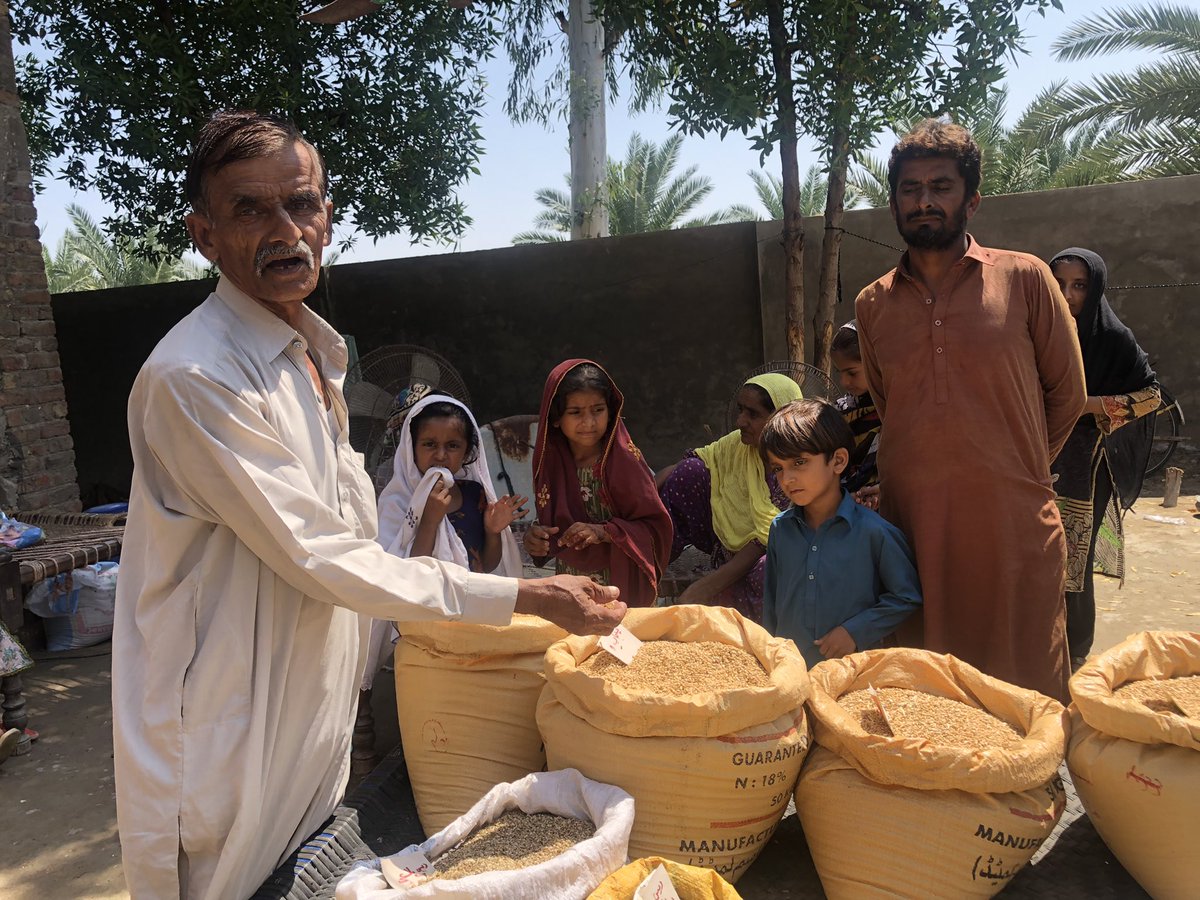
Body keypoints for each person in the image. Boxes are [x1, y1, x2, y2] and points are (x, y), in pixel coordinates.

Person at [112, 110, 625, 900]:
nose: (286, 229)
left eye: (302, 204)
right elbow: (326, 556)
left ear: (326, 215)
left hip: (312, 726)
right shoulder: (196, 378)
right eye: (250, 210)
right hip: (229, 742)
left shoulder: (313, 357)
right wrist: (527, 595)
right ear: (205, 234)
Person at [854, 118, 1086, 702]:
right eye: (910, 189)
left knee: (1023, 683)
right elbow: (891, 407)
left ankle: (1029, 793)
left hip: (1012, 526)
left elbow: (1068, 394)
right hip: (915, 527)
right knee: (932, 689)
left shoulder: (1025, 278)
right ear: (893, 202)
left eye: (940, 186)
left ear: (972, 200)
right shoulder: (873, 304)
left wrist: (1017, 470)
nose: (924, 200)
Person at [361, 390, 527, 690]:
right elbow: (404, 575)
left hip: (470, 615)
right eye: (429, 445)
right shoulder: (399, 500)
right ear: (411, 448)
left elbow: (486, 566)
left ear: (467, 451)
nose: (440, 455)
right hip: (423, 623)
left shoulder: (475, 495)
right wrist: (430, 519)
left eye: (452, 446)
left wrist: (492, 530)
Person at [1049, 248, 1160, 668]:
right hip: (1036, 460)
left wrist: (1087, 404)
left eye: (1079, 286)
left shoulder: (1113, 339)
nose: (1067, 295)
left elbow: (1151, 397)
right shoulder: (1034, 331)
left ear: (1095, 290)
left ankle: (1075, 652)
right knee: (1033, 554)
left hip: (1087, 467)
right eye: (1058, 284)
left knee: (1072, 559)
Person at [760, 400, 922, 669]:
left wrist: (855, 631)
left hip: (853, 675)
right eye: (778, 468)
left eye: (799, 462)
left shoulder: (874, 532)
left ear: (838, 461)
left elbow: (906, 596)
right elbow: (772, 604)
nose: (786, 478)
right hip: (789, 671)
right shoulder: (781, 529)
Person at [524, 360, 672, 608]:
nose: (589, 422)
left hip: (618, 585)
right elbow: (554, 523)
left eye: (598, 410)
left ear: (611, 411)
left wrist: (604, 532)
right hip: (571, 583)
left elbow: (654, 526)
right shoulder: (551, 462)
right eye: (575, 412)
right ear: (556, 417)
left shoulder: (624, 461)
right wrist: (536, 537)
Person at [656, 373, 803, 621]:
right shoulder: (739, 445)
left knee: (768, 570)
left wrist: (704, 587)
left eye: (753, 414)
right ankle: (648, 570)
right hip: (725, 544)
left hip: (769, 556)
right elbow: (691, 461)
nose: (740, 421)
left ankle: (754, 634)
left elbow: (763, 541)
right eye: (740, 410)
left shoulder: (798, 466)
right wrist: (638, 501)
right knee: (689, 472)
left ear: (781, 418)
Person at [830, 321, 881, 507]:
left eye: (852, 373)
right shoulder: (836, 415)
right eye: (839, 372)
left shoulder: (900, 416)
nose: (844, 382)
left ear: (877, 364)